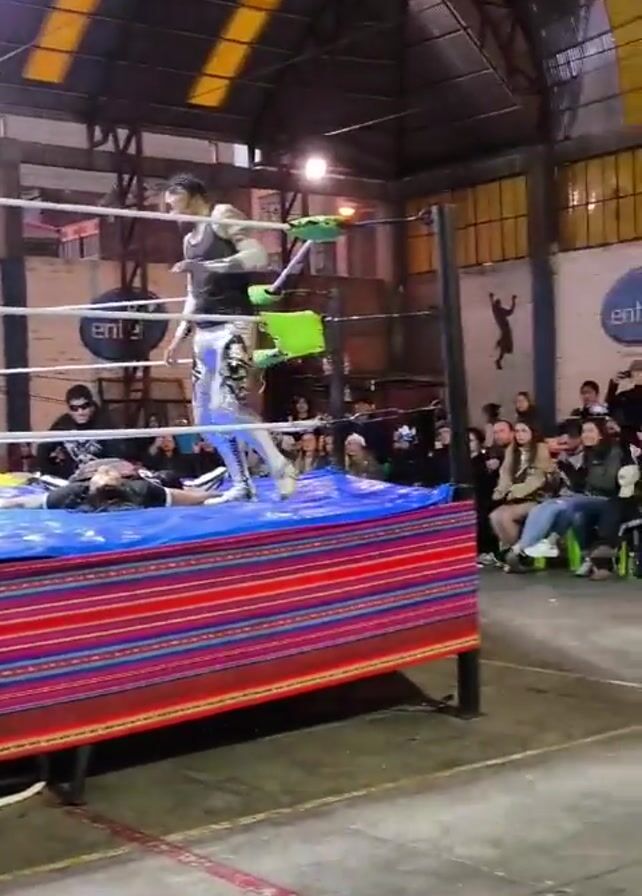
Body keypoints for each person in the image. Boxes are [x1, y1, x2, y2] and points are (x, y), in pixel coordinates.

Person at [162, 172, 296, 504]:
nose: (171, 212)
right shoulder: (189, 240)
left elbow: (258, 256)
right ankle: (241, 484)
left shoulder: (221, 215)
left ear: (191, 195)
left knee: (227, 407)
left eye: (174, 203)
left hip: (233, 325)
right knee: (206, 420)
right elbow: (194, 293)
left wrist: (214, 266)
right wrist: (178, 336)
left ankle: (279, 464)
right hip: (204, 332)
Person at [0, 463, 211, 512]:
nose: (105, 470)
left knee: (42, 480)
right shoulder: (140, 490)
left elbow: (23, 502)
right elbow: (191, 497)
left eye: (103, 475)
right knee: (170, 478)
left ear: (90, 485)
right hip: (134, 469)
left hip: (78, 475)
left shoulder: (73, 492)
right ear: (123, 482)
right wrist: (219, 496)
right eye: (108, 474)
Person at [489, 422, 553, 558]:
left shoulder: (541, 449)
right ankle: (513, 551)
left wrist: (515, 491)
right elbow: (505, 474)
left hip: (538, 497)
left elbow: (537, 479)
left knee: (506, 516)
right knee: (495, 516)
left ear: (532, 433)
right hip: (516, 498)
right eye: (517, 431)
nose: (520, 435)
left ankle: (519, 553)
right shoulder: (512, 450)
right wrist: (501, 491)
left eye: (524, 431)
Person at [36, 385, 124, 479]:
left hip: (100, 478)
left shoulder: (106, 423)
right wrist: (48, 473)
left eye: (84, 407)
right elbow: (44, 447)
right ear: (69, 409)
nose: (80, 412)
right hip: (71, 478)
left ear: (91, 406)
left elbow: (117, 456)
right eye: (74, 408)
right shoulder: (64, 423)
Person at [468, 427, 498, 565]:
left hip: (484, 499)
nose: (468, 444)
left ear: (479, 443)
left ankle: (484, 551)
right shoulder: (458, 462)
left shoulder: (487, 462)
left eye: (471, 440)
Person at [606, 360, 642, 432]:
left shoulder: (625, 396)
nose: (640, 375)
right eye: (637, 372)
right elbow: (610, 408)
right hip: (629, 433)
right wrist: (613, 385)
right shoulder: (624, 396)